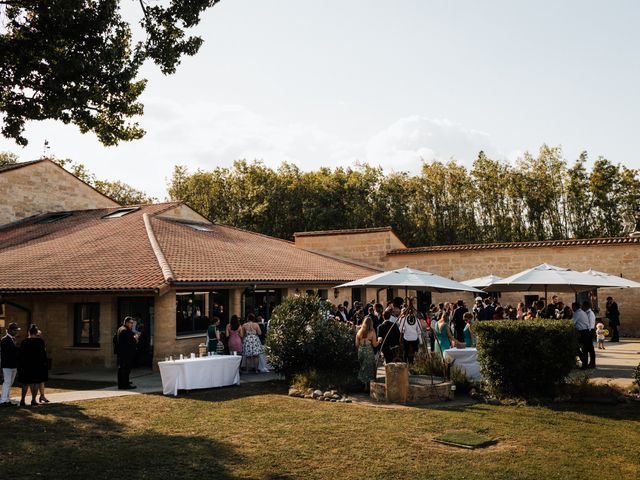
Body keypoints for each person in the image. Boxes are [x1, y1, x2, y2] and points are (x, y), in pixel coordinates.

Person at [17, 324, 48, 406]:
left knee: (25, 383)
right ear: (36, 332)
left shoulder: (24, 342)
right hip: (37, 365)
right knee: (36, 383)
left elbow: (20, 355)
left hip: (26, 365)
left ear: (29, 332)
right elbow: (43, 354)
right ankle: (33, 400)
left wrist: (20, 365)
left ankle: (22, 399)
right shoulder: (40, 342)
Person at [355, 316, 379, 391]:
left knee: (363, 367)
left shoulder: (359, 331)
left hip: (361, 350)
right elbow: (375, 344)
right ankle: (367, 386)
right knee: (369, 368)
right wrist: (380, 340)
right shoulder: (372, 331)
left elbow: (357, 344)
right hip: (368, 350)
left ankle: (363, 385)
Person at [1, 322, 21, 406]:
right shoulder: (5, 339)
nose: (16, 332)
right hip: (7, 365)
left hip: (13, 365)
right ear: (9, 330)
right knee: (7, 382)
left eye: (16, 330)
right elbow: (10, 351)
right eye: (14, 330)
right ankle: (2, 401)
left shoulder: (13, 339)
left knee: (10, 383)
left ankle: (6, 399)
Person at [116, 316, 138, 389]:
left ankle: (122, 383)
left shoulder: (120, 328)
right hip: (126, 354)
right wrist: (135, 338)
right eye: (131, 323)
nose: (132, 324)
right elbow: (131, 342)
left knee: (121, 369)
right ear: (127, 323)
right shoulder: (125, 330)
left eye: (132, 323)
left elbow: (114, 339)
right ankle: (125, 385)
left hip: (121, 353)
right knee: (126, 369)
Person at [572, 302, 591, 370]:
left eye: (573, 307)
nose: (572, 309)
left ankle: (584, 364)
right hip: (585, 331)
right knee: (584, 349)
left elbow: (572, 322)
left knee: (579, 348)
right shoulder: (582, 312)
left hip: (582, 332)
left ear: (575, 307)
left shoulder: (577, 313)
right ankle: (584, 364)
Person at [583, 301, 596, 368]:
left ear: (586, 306)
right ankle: (591, 363)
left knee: (590, 348)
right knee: (589, 347)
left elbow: (590, 324)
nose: (582, 307)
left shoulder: (590, 313)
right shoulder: (586, 313)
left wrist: (587, 332)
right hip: (589, 331)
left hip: (589, 331)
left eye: (583, 306)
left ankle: (592, 363)